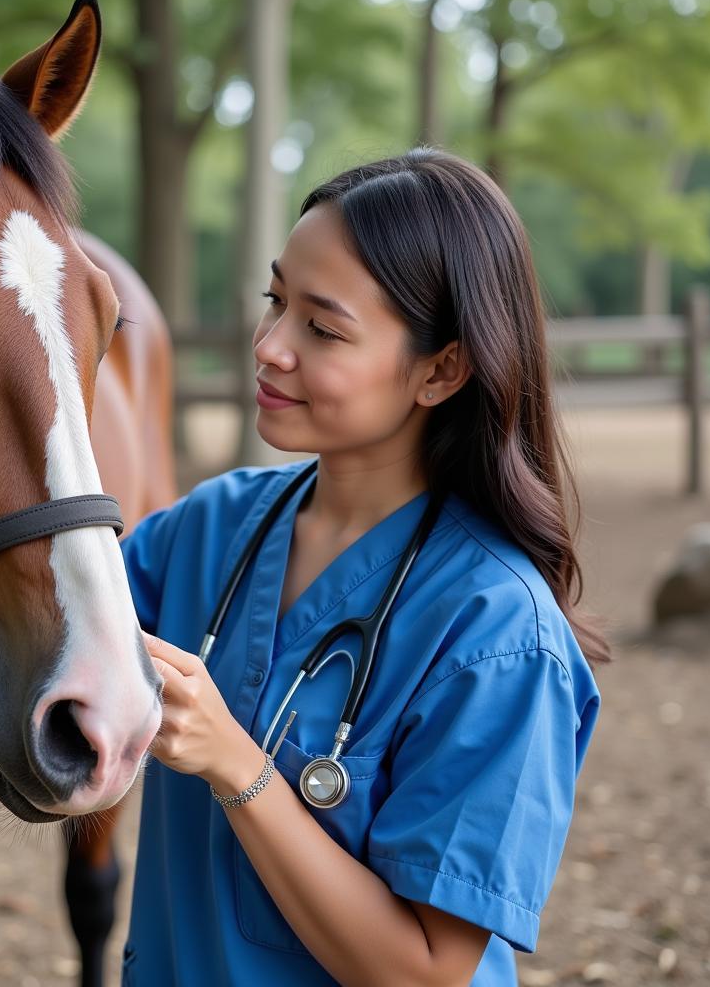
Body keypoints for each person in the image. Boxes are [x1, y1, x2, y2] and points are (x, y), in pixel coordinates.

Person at [119, 148, 604, 986]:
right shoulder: (209, 527)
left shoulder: (499, 634)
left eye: (322, 327)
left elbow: (425, 971)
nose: (270, 346)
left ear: (441, 369)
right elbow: (34, 630)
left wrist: (236, 762)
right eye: (275, 301)